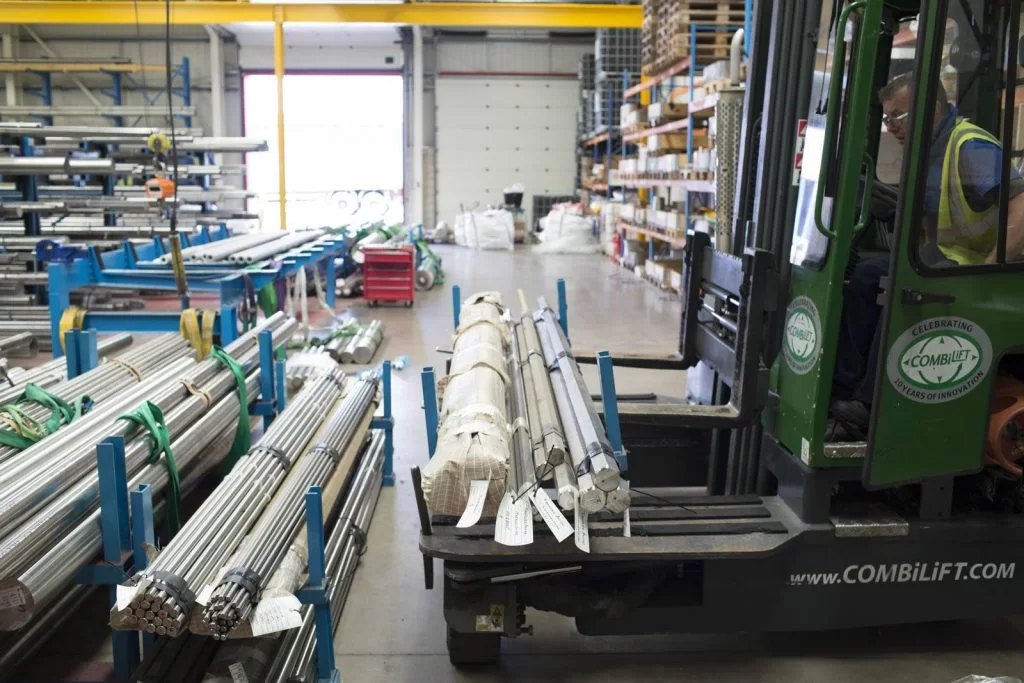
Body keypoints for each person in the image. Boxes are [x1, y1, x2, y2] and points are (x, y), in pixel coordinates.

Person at [830, 72, 1024, 439]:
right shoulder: (925, 151)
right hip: (949, 259)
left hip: (984, 273)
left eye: (898, 117)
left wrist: (988, 269)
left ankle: (870, 405)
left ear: (932, 109)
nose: (892, 128)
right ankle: (845, 390)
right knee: (868, 273)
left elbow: (1021, 205)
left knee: (903, 283)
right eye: (887, 119)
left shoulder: (969, 146)